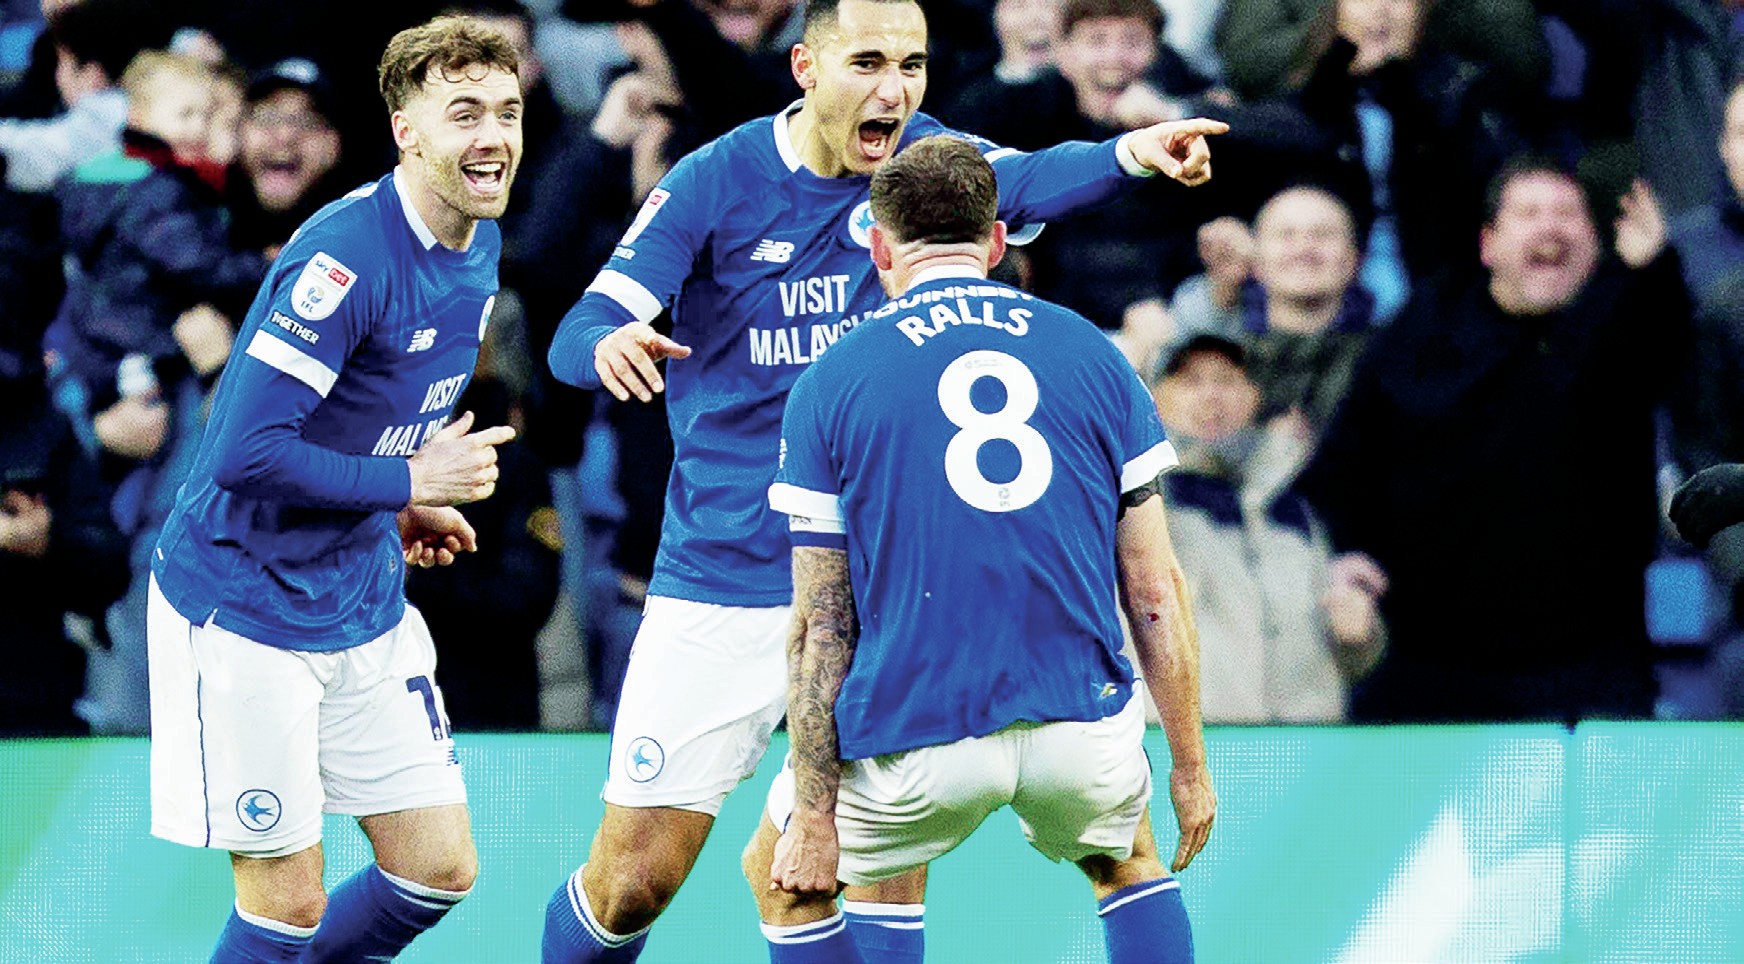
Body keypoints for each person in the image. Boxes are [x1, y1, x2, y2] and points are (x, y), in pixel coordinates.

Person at [541, 0, 1226, 959]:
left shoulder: (924, 163)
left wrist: (1132, 153)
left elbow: (1032, 176)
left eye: (912, 64)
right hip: (727, 575)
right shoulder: (715, 180)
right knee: (631, 886)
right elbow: (576, 329)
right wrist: (608, 343)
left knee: (868, 861)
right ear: (805, 68)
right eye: (868, 62)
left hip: (882, 586)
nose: (895, 90)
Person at [743, 135, 1215, 964]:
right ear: (996, 242)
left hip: (923, 732)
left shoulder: (832, 379)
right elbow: (1153, 589)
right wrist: (1188, 766)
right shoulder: (1093, 354)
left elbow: (822, 624)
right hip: (1077, 719)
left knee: (782, 878)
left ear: (879, 247)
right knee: (1126, 854)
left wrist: (815, 816)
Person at [145, 16, 522, 963]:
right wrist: (408, 478)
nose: (493, 138)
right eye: (465, 114)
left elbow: (359, 416)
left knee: (436, 868)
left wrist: (397, 501)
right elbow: (241, 454)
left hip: (360, 595)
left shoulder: (478, 238)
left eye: (507, 112)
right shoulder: (346, 257)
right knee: (287, 903)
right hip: (245, 607)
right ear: (406, 131)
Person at [1298, 157, 1690, 722]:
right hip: (1429, 665)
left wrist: (1652, 272)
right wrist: (1348, 553)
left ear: (1595, 244)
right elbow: (1348, 461)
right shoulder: (1426, 329)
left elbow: (1665, 353)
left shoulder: (1623, 318)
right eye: (1529, 213)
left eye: (1567, 214)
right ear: (1489, 244)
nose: (1550, 226)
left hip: (1591, 668)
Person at [1150, 334, 1386, 723]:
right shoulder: (1137, 501)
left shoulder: (1293, 508)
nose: (1212, 396)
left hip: (1306, 746)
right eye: (1190, 381)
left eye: (1227, 380)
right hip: (1190, 748)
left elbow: (1349, 657)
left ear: (1254, 396)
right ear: (1154, 397)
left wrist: (1358, 635)